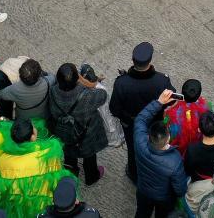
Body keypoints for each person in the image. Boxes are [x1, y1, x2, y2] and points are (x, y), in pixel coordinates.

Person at [110, 41, 174, 184]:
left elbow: (114, 109)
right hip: (154, 124)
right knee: (156, 148)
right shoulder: (161, 80)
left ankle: (134, 174)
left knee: (133, 150)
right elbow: (172, 98)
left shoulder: (121, 83)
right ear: (150, 61)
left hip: (131, 126)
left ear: (133, 61)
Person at [47, 62, 108, 186]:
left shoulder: (53, 92)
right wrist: (86, 82)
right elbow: (103, 95)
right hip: (86, 134)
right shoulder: (86, 96)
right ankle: (91, 177)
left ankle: (71, 176)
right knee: (89, 156)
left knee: (69, 155)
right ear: (77, 79)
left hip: (64, 131)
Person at [134, 89, 188, 217]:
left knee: (141, 213)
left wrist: (159, 102)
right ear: (168, 138)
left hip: (143, 189)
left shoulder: (139, 141)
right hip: (163, 197)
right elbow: (180, 189)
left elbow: (140, 119)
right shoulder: (174, 160)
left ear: (149, 135)